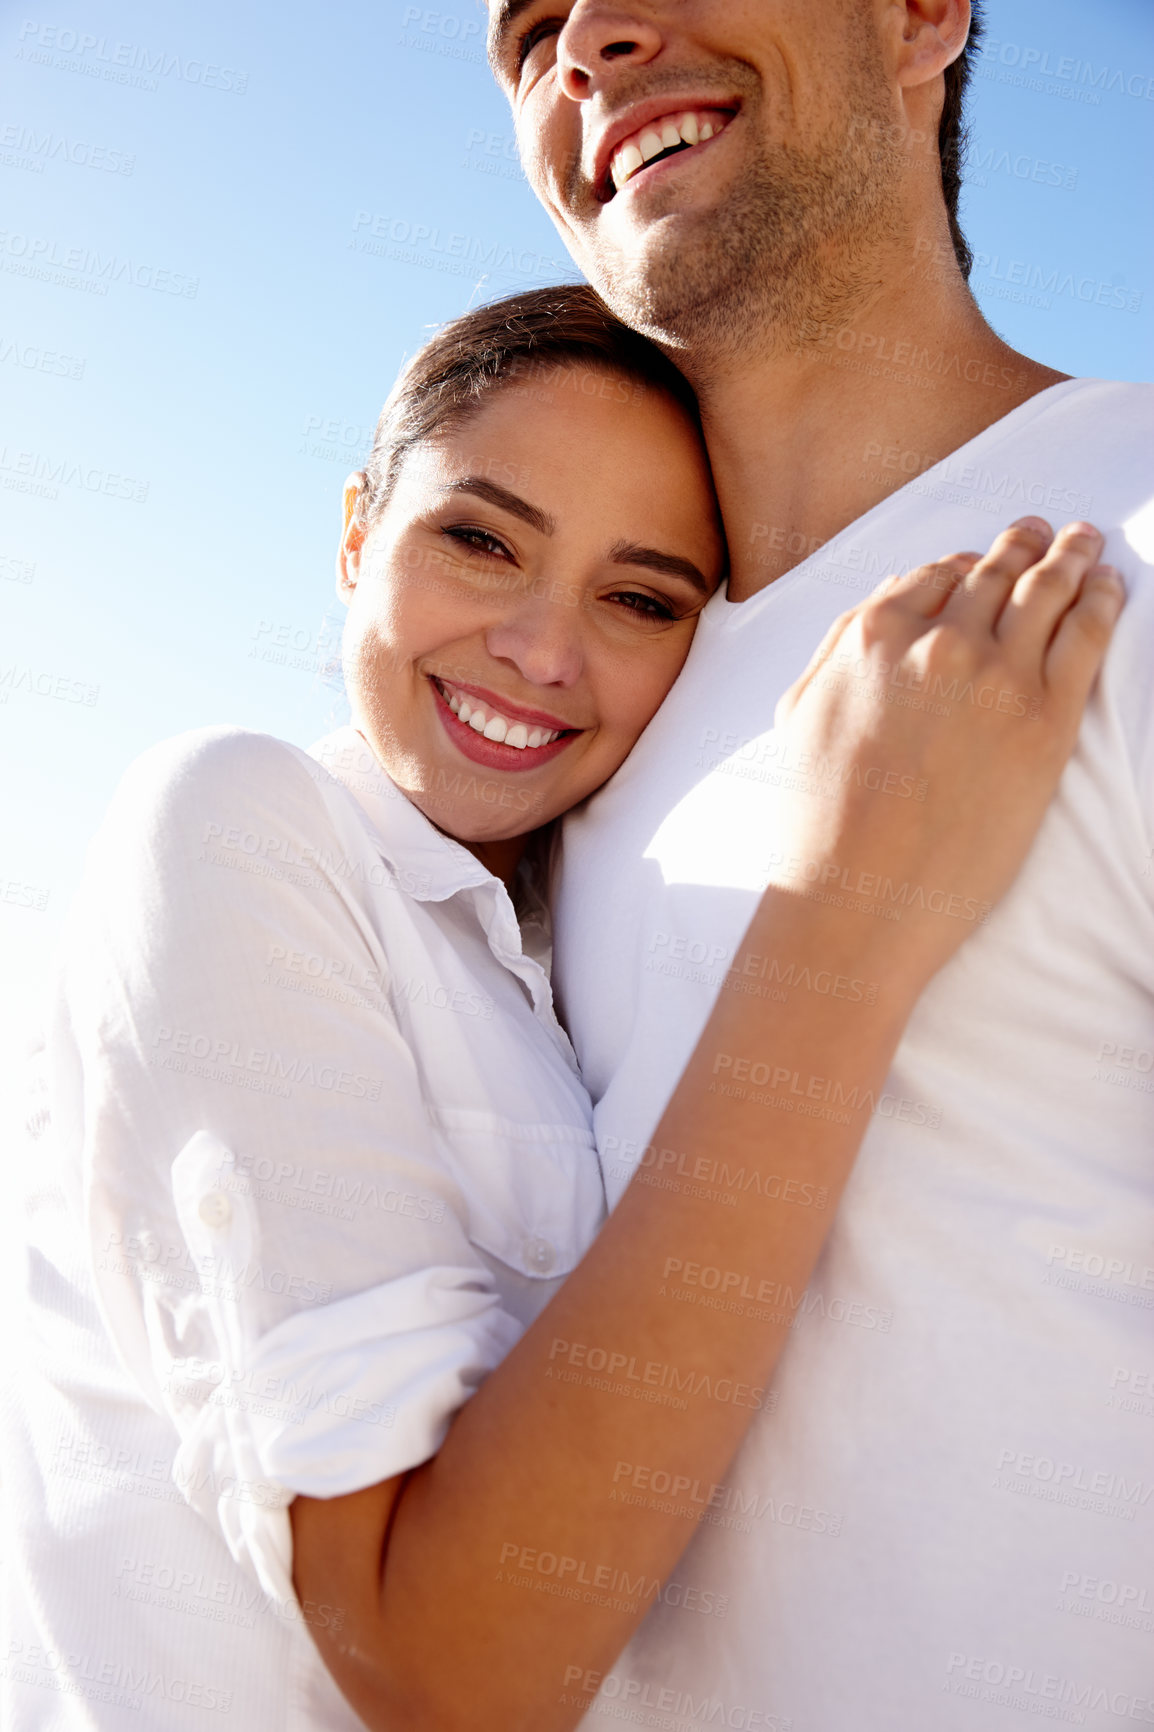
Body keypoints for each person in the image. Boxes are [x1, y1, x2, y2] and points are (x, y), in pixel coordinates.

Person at [0, 281, 1121, 1730]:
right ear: (356, 532)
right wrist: (847, 910)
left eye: (638, 598)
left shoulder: (559, 944)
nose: (541, 651)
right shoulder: (234, 818)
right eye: (479, 541)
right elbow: (441, 1672)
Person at [484, 1, 1154, 1725]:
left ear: (923, 14)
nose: (589, 39)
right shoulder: (557, 707)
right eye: (530, 25)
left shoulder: (1131, 533)